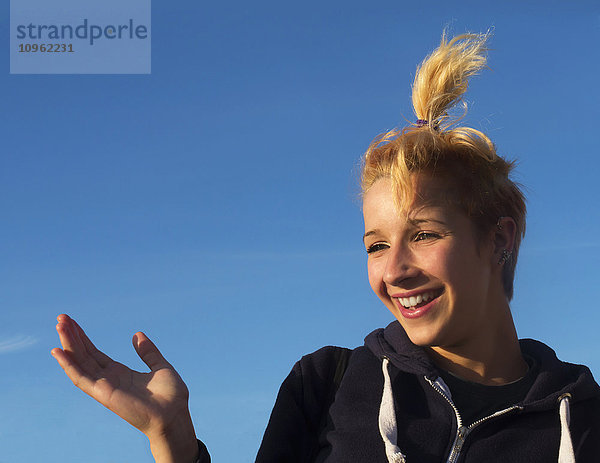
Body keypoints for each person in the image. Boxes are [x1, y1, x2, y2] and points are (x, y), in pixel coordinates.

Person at [52, 32, 600, 463]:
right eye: (376, 246)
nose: (395, 270)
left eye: (425, 234)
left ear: (499, 239)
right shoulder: (328, 386)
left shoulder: (586, 420)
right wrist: (173, 439)